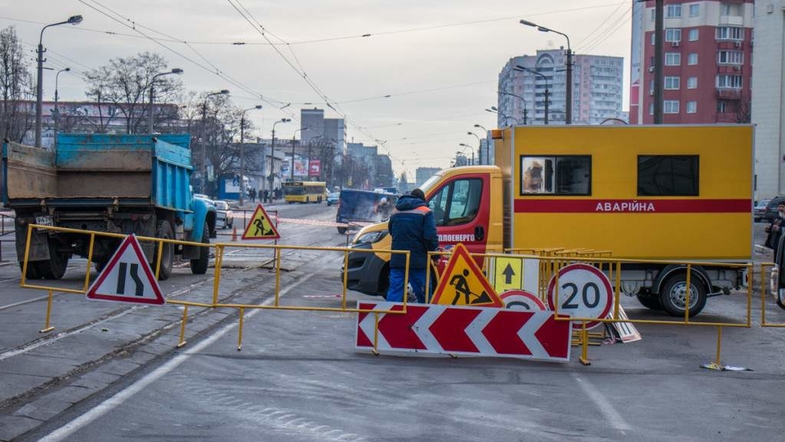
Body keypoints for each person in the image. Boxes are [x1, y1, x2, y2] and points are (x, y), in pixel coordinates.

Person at [387, 188, 439, 303]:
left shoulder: (396, 211)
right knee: (423, 293)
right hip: (418, 260)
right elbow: (430, 237)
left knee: (395, 291)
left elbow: (391, 231)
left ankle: (389, 316)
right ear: (422, 199)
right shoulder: (425, 211)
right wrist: (435, 256)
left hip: (398, 258)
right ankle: (425, 317)